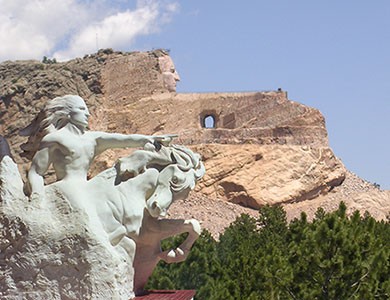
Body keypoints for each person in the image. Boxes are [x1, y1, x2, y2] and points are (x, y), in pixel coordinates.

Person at [24, 95, 175, 202]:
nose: (88, 114)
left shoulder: (93, 138)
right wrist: (38, 196)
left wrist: (148, 139)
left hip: (87, 188)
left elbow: (123, 139)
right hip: (67, 189)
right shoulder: (55, 139)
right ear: (68, 114)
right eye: (82, 109)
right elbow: (36, 172)